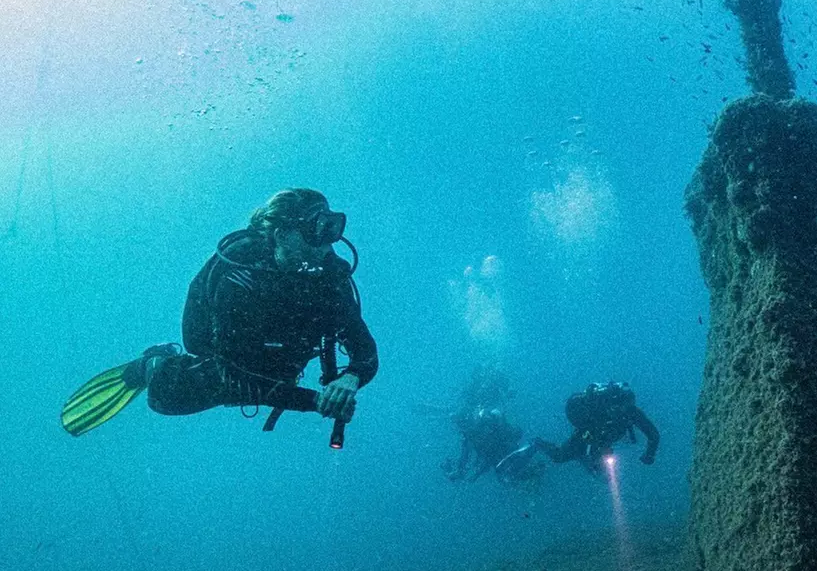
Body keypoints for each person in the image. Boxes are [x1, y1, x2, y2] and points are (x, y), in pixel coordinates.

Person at [61, 188, 378, 439]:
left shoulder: (328, 278)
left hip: (276, 356)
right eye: (316, 231)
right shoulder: (240, 278)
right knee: (166, 399)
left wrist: (350, 378)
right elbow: (235, 376)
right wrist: (315, 402)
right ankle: (154, 363)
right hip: (223, 352)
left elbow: (365, 349)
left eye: (331, 230)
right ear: (282, 234)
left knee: (275, 374)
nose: (327, 244)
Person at [535, 381, 659, 472]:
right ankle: (537, 443)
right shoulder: (597, 408)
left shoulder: (631, 411)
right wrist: (598, 449)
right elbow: (590, 432)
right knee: (559, 457)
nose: (622, 411)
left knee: (602, 473)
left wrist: (649, 454)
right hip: (588, 434)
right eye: (618, 408)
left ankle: (584, 457)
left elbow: (653, 433)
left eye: (626, 407)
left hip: (605, 437)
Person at [445, 405, 543, 485]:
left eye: (462, 425)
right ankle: (533, 464)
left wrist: (476, 473)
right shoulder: (469, 437)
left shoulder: (484, 425)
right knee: (506, 478)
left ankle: (536, 446)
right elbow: (465, 457)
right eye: (460, 426)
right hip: (499, 457)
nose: (462, 429)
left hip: (507, 450)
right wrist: (465, 472)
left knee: (508, 476)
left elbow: (492, 448)